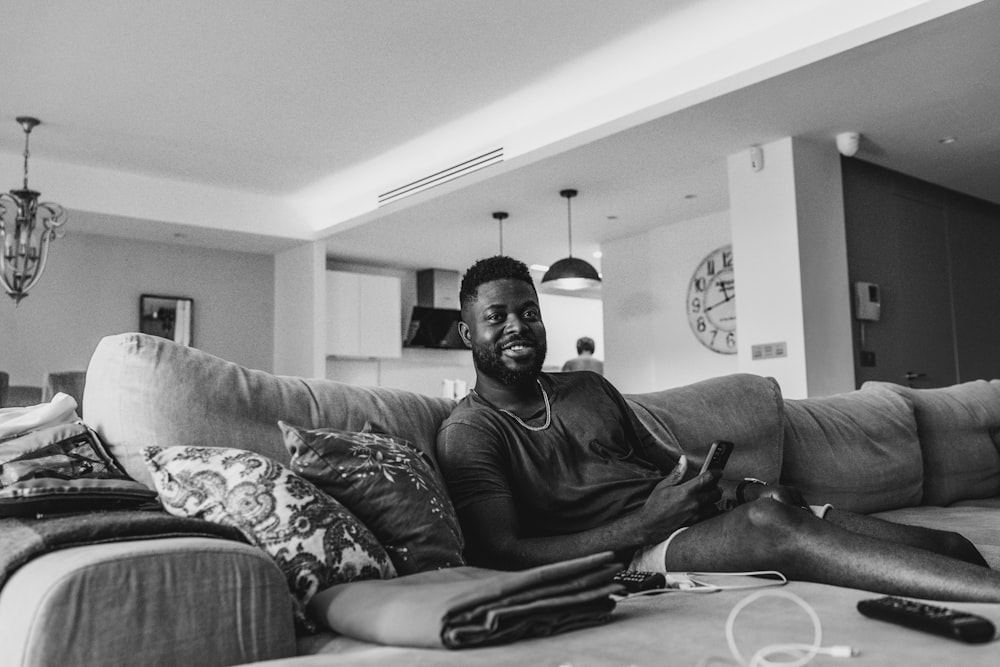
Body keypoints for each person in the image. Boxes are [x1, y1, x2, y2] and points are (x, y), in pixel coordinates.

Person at [435, 255, 1000, 602]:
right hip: (633, 554)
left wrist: (750, 489)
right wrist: (643, 524)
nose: (518, 326)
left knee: (952, 545)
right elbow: (501, 552)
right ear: (467, 334)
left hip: (695, 518)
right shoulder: (472, 433)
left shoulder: (588, 389)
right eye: (497, 317)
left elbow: (674, 470)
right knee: (773, 524)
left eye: (529, 313)